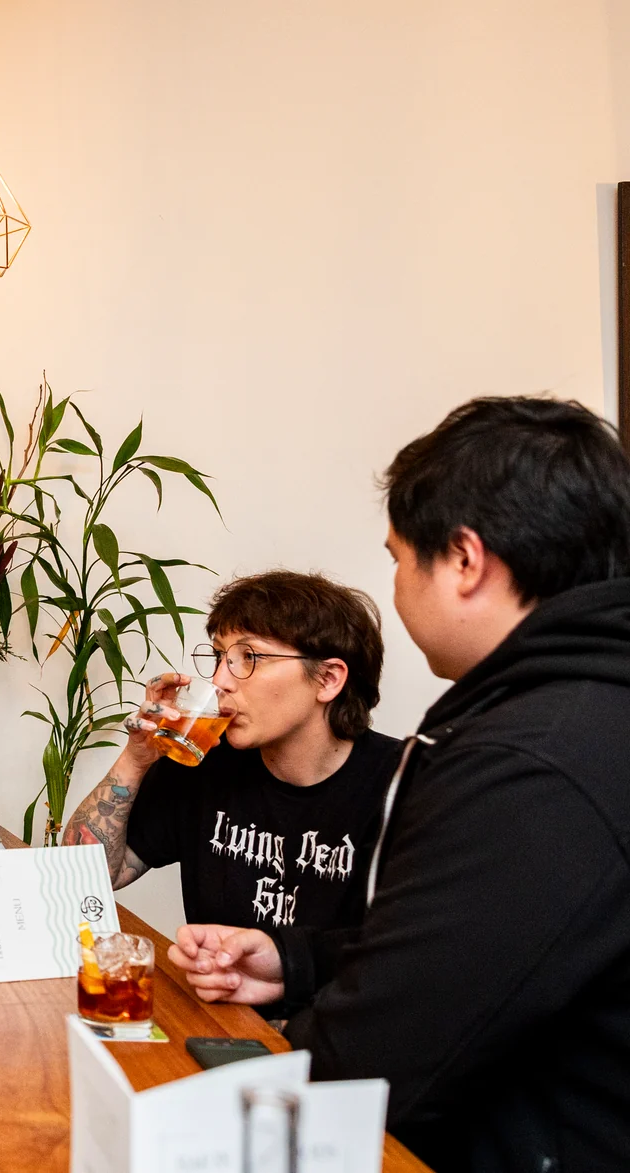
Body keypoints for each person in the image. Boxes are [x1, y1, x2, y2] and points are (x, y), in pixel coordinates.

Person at [171, 397, 630, 1172]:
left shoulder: (531, 763)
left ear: (463, 559)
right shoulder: (574, 714)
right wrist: (296, 958)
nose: (394, 581)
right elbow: (492, 949)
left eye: (397, 555)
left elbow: (379, 1058)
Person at [66, 571, 399, 935]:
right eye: (219, 656)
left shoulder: (404, 784)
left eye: (249, 656)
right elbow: (86, 876)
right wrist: (135, 759)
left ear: (328, 679)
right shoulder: (204, 761)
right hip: (210, 993)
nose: (220, 679)